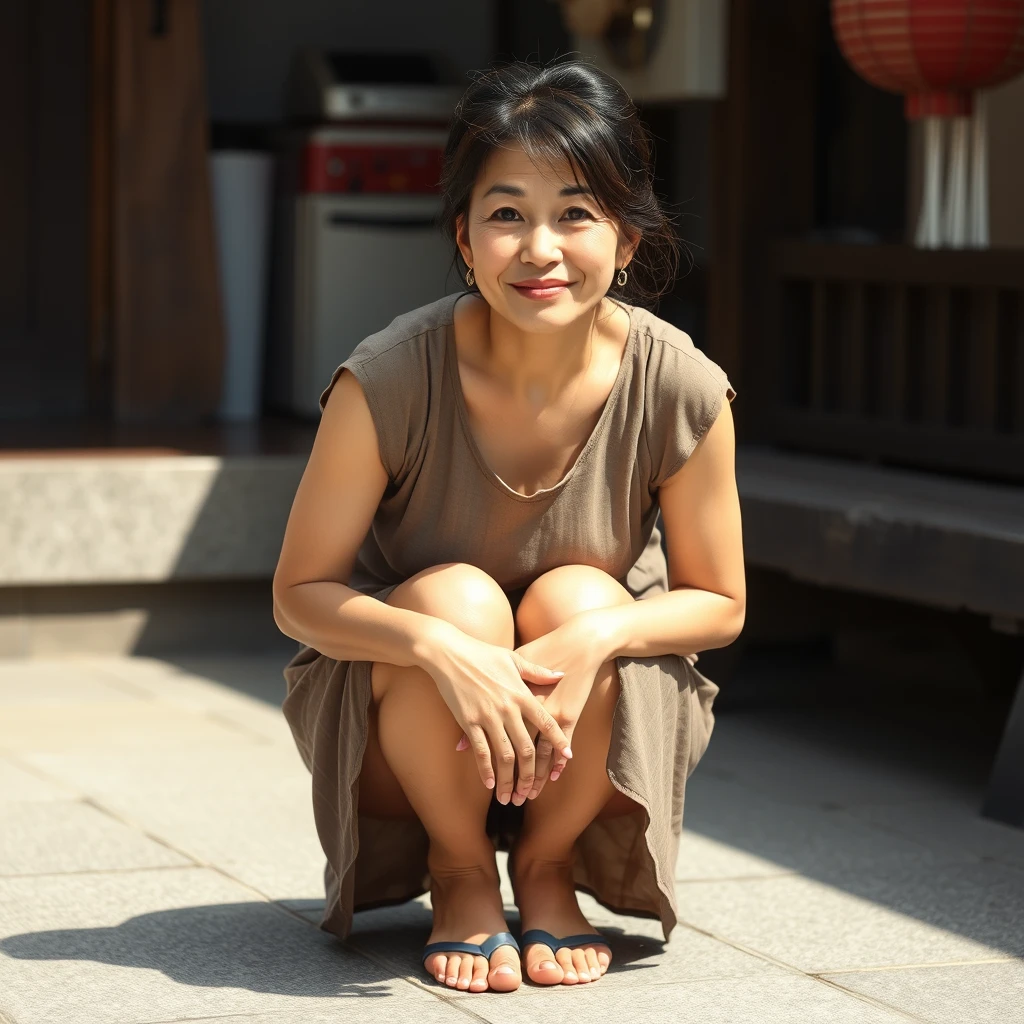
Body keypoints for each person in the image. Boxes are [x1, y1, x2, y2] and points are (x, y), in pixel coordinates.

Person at [272, 57, 745, 995]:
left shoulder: (679, 383)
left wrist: (599, 633)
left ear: (627, 234)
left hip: (588, 725)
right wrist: (443, 651)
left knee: (585, 595)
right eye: (506, 214)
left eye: (575, 212)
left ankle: (545, 863)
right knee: (456, 602)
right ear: (463, 235)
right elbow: (299, 595)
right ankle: (457, 869)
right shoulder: (390, 379)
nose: (540, 249)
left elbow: (720, 603)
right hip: (411, 731)